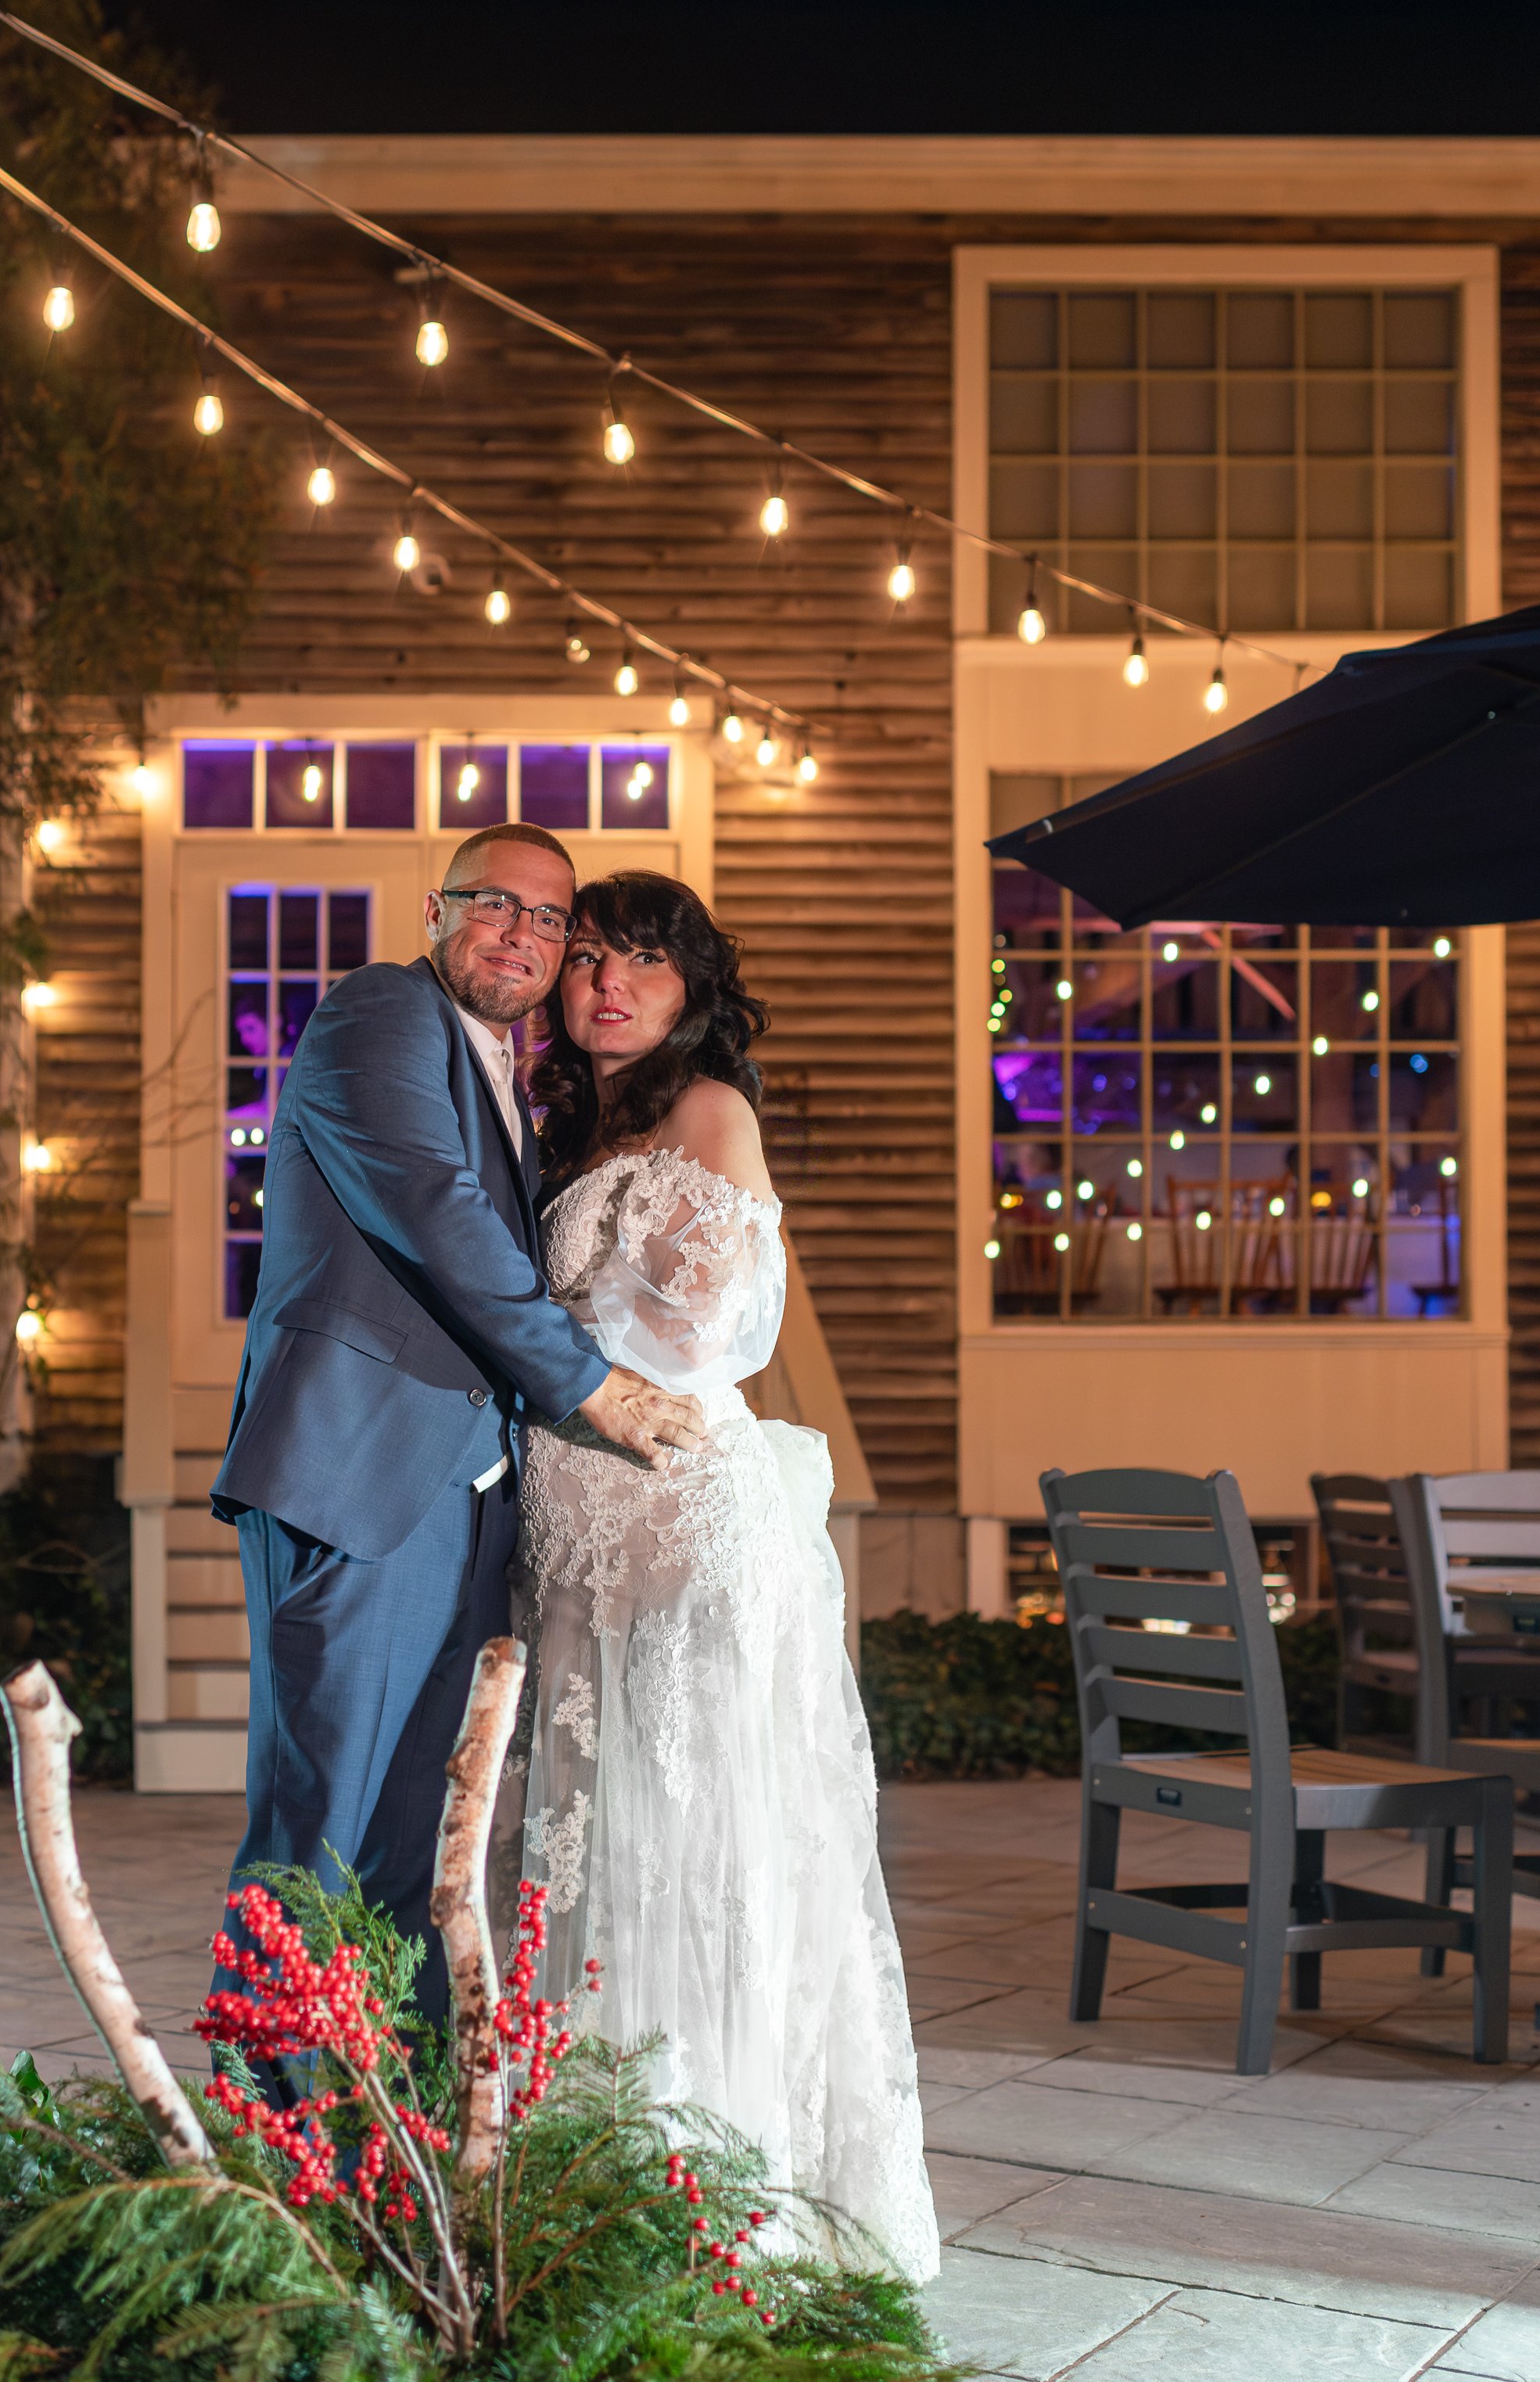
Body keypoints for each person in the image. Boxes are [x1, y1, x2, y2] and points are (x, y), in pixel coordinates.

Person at [508, 871, 939, 2283]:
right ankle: (599, 2168)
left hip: (688, 1528)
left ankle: (721, 2194)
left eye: (641, 961)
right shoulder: (575, 1120)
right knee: (593, 1839)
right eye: (585, 961)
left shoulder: (708, 1110)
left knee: (700, 1847)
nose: (605, 985)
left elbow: (728, 1328)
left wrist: (561, 1331)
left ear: (692, 987)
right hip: (580, 1543)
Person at [211, 825, 707, 2017]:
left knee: (422, 1840)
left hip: (470, 1502)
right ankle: (283, 2147)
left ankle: (401, 2143)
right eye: (496, 903)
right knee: (320, 1828)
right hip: (360, 1475)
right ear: (437, 912)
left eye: (551, 921)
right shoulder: (380, 1012)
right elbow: (436, 1214)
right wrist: (592, 1386)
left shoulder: (511, 1086)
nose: (523, 935)